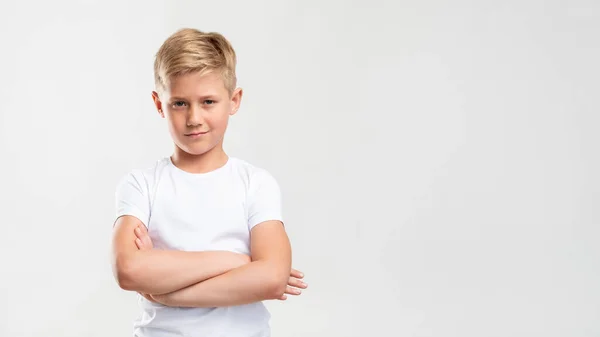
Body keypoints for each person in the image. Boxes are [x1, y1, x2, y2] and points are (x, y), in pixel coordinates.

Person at [110, 27, 307, 337]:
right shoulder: (141, 185)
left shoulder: (254, 184)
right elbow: (129, 270)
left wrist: (165, 292)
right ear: (159, 103)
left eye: (208, 102)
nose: (194, 118)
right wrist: (236, 261)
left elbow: (271, 277)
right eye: (179, 103)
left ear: (234, 100)